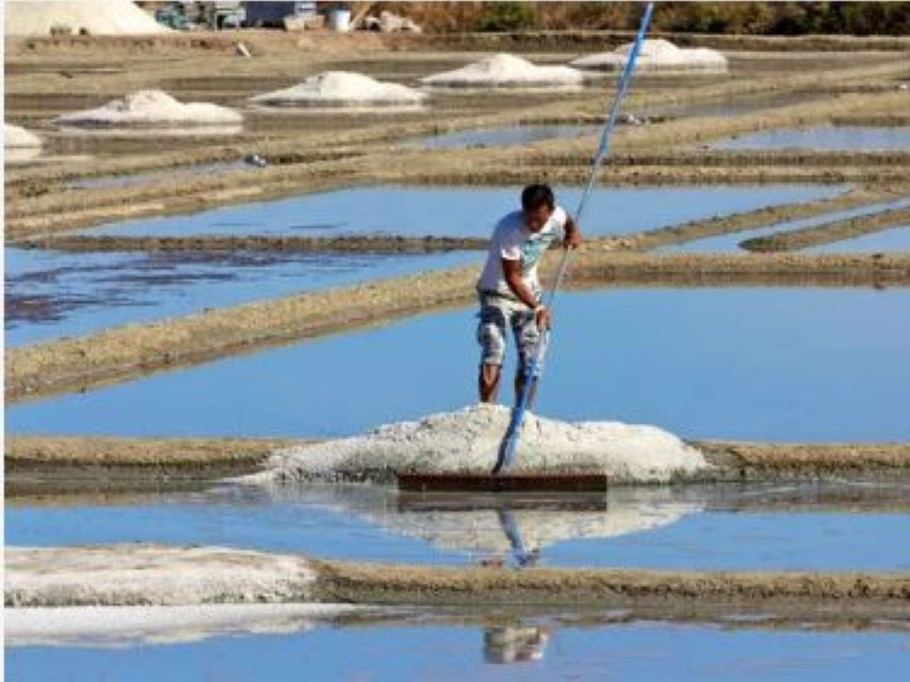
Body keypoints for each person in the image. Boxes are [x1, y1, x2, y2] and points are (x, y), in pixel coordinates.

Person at [475, 183, 581, 404]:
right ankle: (486, 414)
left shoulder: (556, 215)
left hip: (530, 292)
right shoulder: (509, 229)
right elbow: (512, 278)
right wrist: (539, 307)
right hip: (497, 292)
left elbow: (568, 220)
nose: (532, 224)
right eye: (528, 217)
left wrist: (572, 233)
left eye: (538, 219)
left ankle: (522, 416)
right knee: (494, 349)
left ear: (549, 212)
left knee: (532, 359)